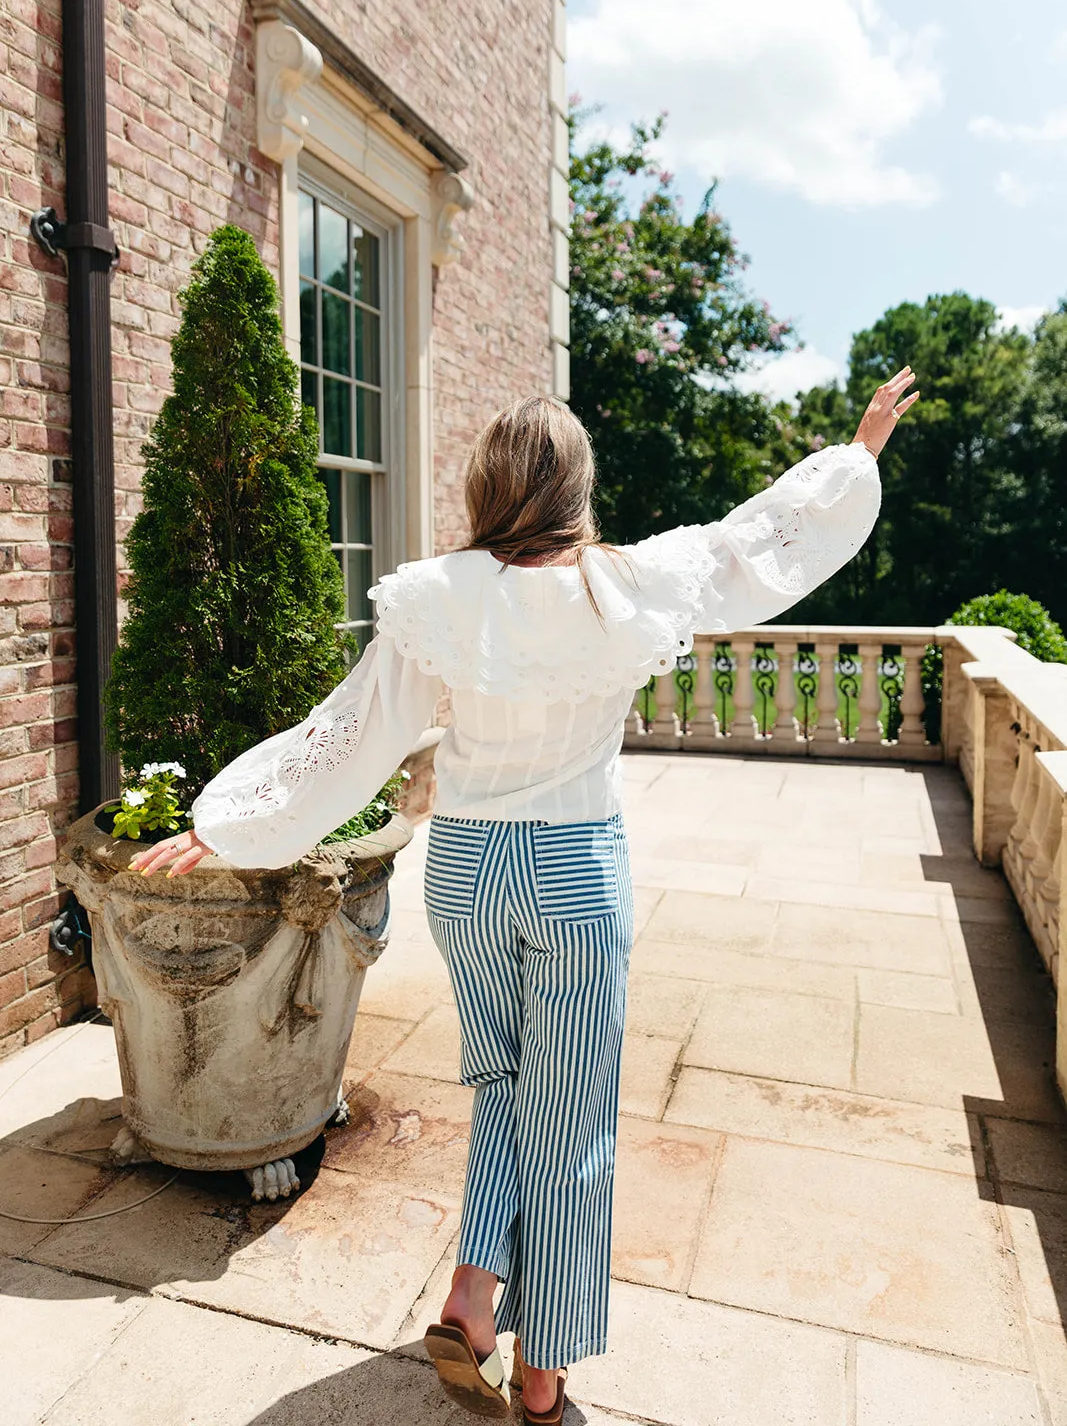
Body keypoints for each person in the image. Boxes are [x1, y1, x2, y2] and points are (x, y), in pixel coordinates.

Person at [131, 368, 917, 1425]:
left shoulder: (434, 596)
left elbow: (352, 732)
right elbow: (756, 541)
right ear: (576, 489)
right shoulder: (633, 581)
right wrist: (855, 455)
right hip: (574, 872)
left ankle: (470, 1295)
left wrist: (225, 822)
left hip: (465, 871)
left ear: (483, 485)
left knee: (506, 1084)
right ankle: (541, 1373)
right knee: (573, 1113)